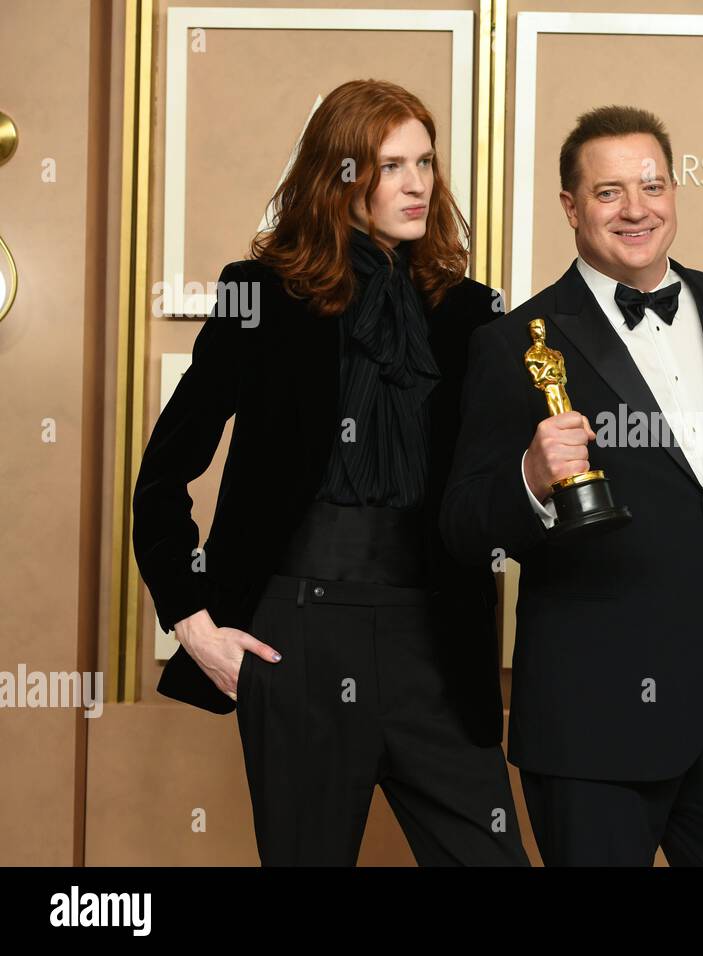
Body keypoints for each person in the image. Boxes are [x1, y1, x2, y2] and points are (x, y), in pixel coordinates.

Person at [132, 79, 527, 866]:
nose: (418, 183)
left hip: (438, 639)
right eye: (390, 166)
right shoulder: (260, 297)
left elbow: (493, 487)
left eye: (425, 161)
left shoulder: (470, 313)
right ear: (339, 176)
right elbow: (164, 473)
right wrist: (193, 622)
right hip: (297, 638)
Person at [440, 106, 703, 865]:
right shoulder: (514, 343)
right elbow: (462, 525)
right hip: (594, 724)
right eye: (609, 193)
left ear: (675, 191)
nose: (636, 209)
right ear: (572, 208)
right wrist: (530, 479)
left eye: (652, 185)